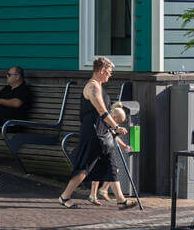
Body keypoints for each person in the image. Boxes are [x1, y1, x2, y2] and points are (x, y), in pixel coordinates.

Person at [58, 57, 136, 210]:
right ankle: (64, 196)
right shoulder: (92, 87)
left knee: (112, 166)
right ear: (101, 70)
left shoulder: (99, 86)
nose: (110, 74)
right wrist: (115, 127)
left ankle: (121, 200)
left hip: (103, 133)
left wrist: (111, 130)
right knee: (84, 168)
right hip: (93, 133)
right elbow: (102, 110)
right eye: (109, 72)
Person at [89, 103, 133, 205]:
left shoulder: (109, 121)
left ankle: (95, 193)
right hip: (102, 148)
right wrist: (117, 130)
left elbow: (114, 136)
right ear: (114, 117)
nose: (118, 124)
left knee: (103, 169)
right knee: (110, 169)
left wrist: (124, 146)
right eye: (118, 121)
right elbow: (112, 135)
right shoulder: (105, 120)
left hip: (103, 147)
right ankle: (101, 191)